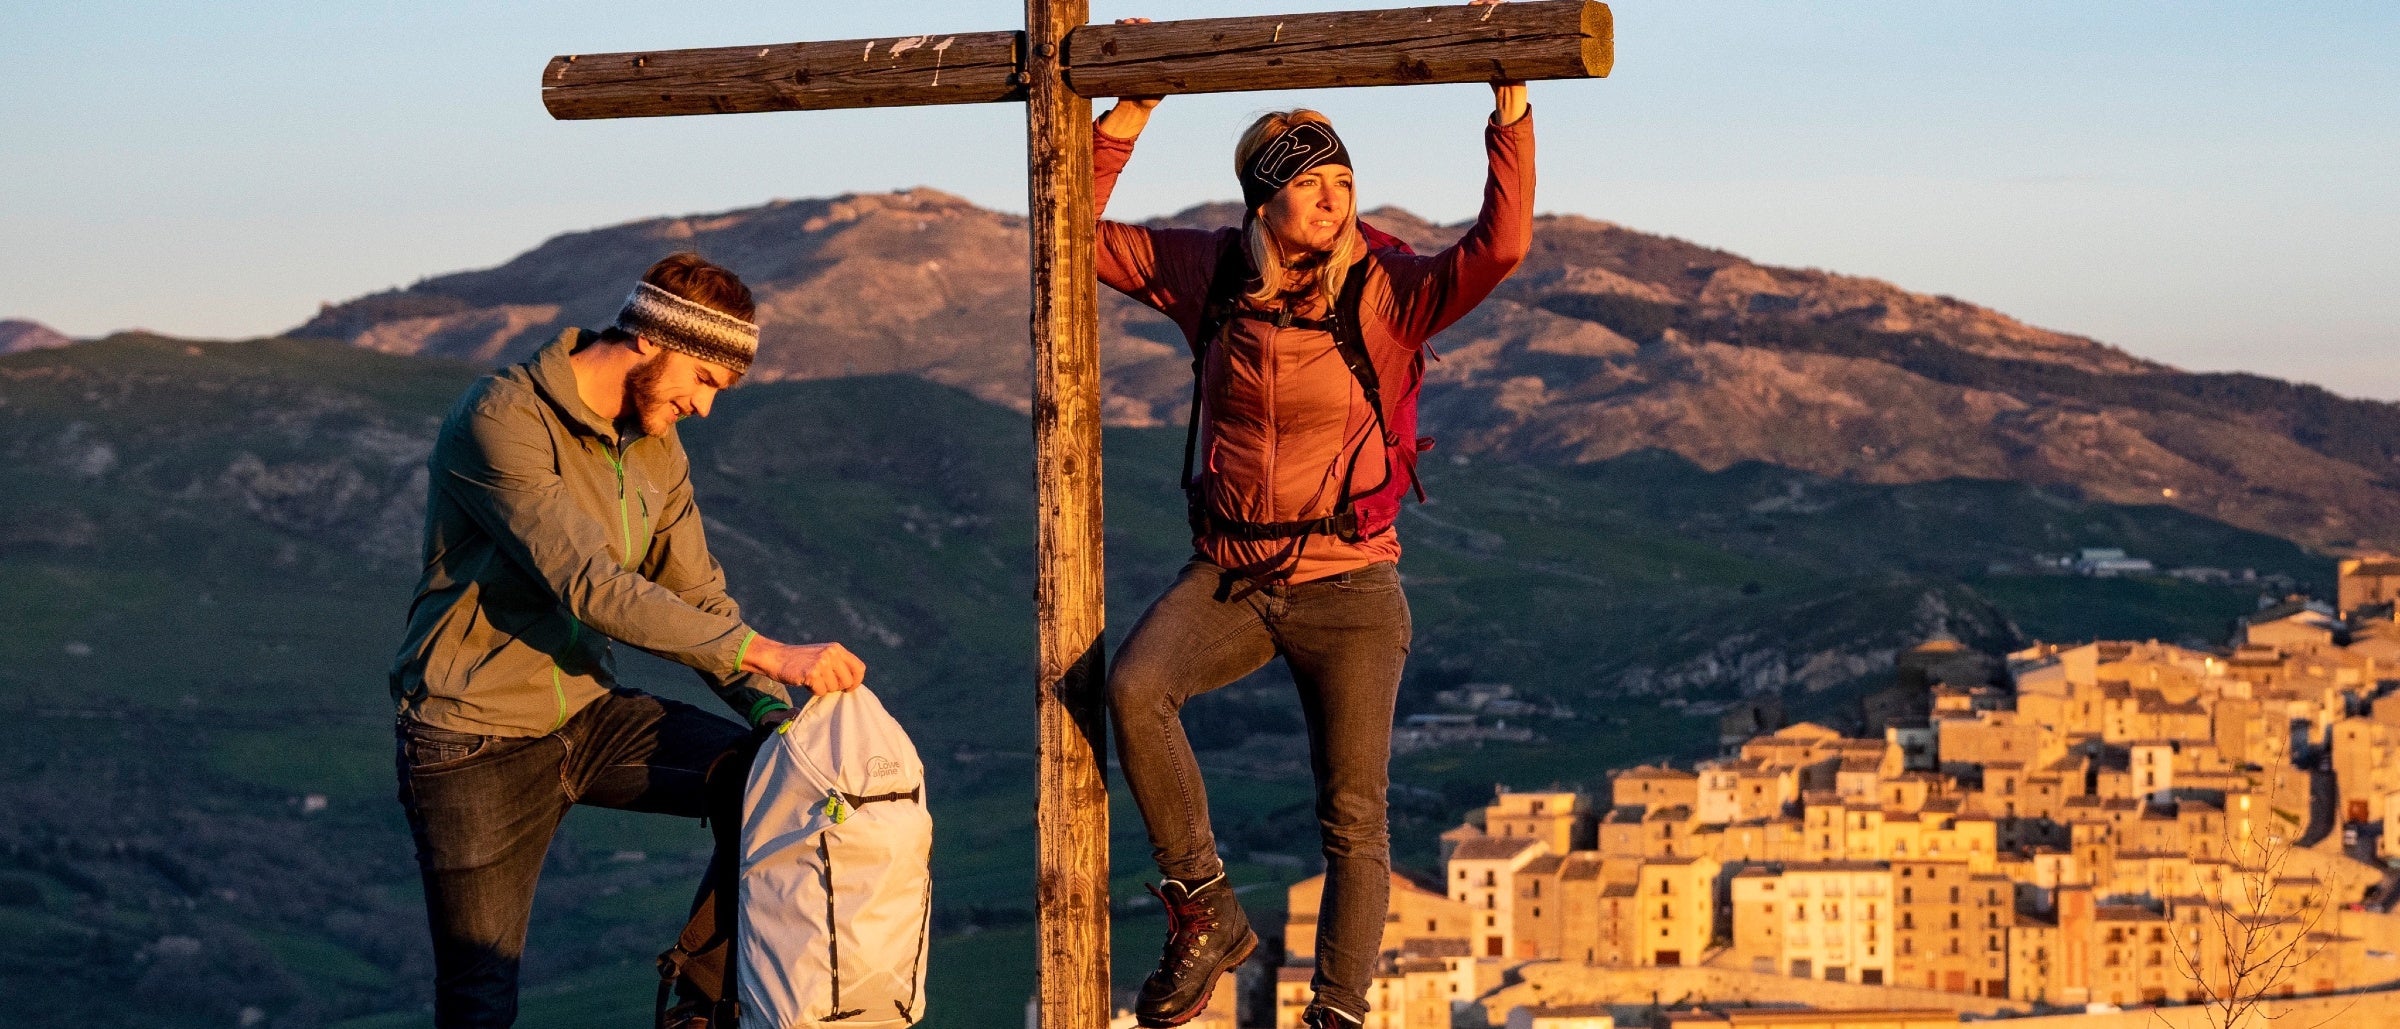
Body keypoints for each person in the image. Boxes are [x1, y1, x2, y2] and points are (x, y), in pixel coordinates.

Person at [1090, 27, 1536, 1029]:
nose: (1334, 195)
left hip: (1352, 586)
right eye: (1309, 181)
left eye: (1342, 176)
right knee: (1135, 685)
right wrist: (1125, 116)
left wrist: (1508, 112)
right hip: (1234, 576)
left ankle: (1336, 1013)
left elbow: (1500, 247)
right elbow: (1062, 229)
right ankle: (1203, 908)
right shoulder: (1208, 275)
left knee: (1354, 816)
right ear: (1263, 200)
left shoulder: (1390, 288)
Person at [387, 252, 866, 1028]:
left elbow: (697, 594)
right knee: (480, 996)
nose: (705, 408)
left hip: (585, 713)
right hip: (472, 738)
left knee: (769, 778)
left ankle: (699, 1008)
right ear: (653, 337)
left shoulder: (653, 446)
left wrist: (781, 722)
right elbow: (588, 584)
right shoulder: (501, 418)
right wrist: (772, 653)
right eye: (704, 381)